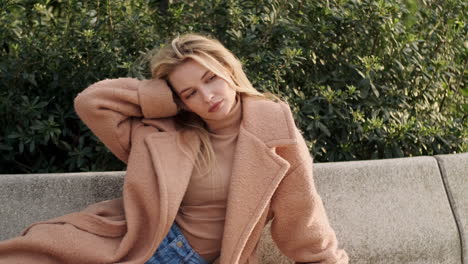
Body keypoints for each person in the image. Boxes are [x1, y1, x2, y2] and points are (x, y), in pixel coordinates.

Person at [0, 33, 348, 264]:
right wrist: (166, 99)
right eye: (190, 92)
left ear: (228, 69)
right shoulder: (165, 130)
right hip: (135, 242)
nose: (207, 97)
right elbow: (93, 103)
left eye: (210, 78)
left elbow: (301, 216)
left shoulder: (274, 131)